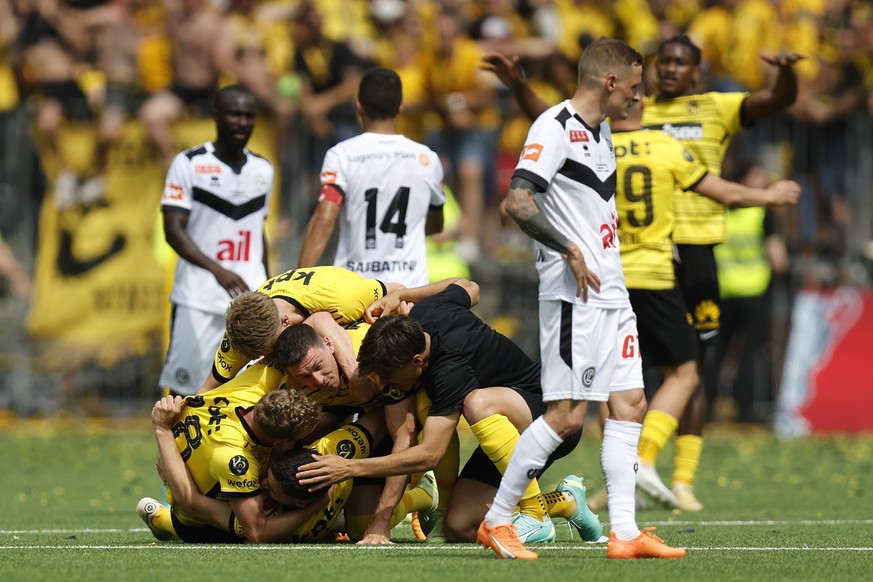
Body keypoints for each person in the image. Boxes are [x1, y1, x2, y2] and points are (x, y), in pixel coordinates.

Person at [476, 38, 684, 561]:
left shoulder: (599, 129)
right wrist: (568, 248)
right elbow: (517, 201)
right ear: (610, 83)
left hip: (612, 291)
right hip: (575, 296)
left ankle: (626, 533)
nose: (639, 98)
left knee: (630, 403)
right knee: (567, 416)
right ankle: (498, 521)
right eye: (635, 87)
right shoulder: (553, 126)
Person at [295, 278, 603, 545]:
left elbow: (430, 454)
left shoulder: (449, 371)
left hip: (552, 420)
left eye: (388, 378)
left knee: (477, 403)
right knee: (460, 526)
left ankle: (535, 513)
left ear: (417, 361)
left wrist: (350, 469)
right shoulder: (426, 312)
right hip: (504, 434)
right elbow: (469, 286)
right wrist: (405, 295)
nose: (384, 385)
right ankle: (565, 502)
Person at [639, 35, 802, 512]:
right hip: (648, 251)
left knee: (695, 366)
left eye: (679, 63)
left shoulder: (718, 107)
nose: (669, 69)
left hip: (698, 254)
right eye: (662, 61)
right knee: (636, 372)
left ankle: (682, 479)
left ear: (696, 73)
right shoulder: (632, 114)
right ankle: (630, 476)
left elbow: (780, 99)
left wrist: (785, 71)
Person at [158, 84, 273, 397]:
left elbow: (257, 231)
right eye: (234, 114)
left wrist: (268, 283)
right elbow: (173, 229)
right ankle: (172, 448)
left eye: (249, 116)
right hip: (197, 297)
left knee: (248, 393)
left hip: (247, 297)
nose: (242, 122)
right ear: (216, 116)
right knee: (186, 391)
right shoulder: (189, 164)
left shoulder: (263, 168)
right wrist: (217, 270)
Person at [138, 360, 322, 543]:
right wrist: (315, 507)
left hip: (199, 468)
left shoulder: (254, 386)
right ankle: (162, 519)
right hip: (197, 519)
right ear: (282, 440)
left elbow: (281, 349)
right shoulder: (236, 460)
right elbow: (257, 533)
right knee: (260, 523)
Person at [297, 67, 446, 288]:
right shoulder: (427, 158)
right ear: (401, 107)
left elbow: (324, 220)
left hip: (357, 291)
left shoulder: (342, 155)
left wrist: (297, 282)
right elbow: (435, 225)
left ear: (359, 106)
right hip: (408, 291)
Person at [197, 265, 404, 402]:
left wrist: (353, 371)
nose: (268, 358)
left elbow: (399, 291)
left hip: (355, 326)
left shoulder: (343, 298)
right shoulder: (243, 330)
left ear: (285, 321)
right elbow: (207, 390)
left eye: (271, 350)